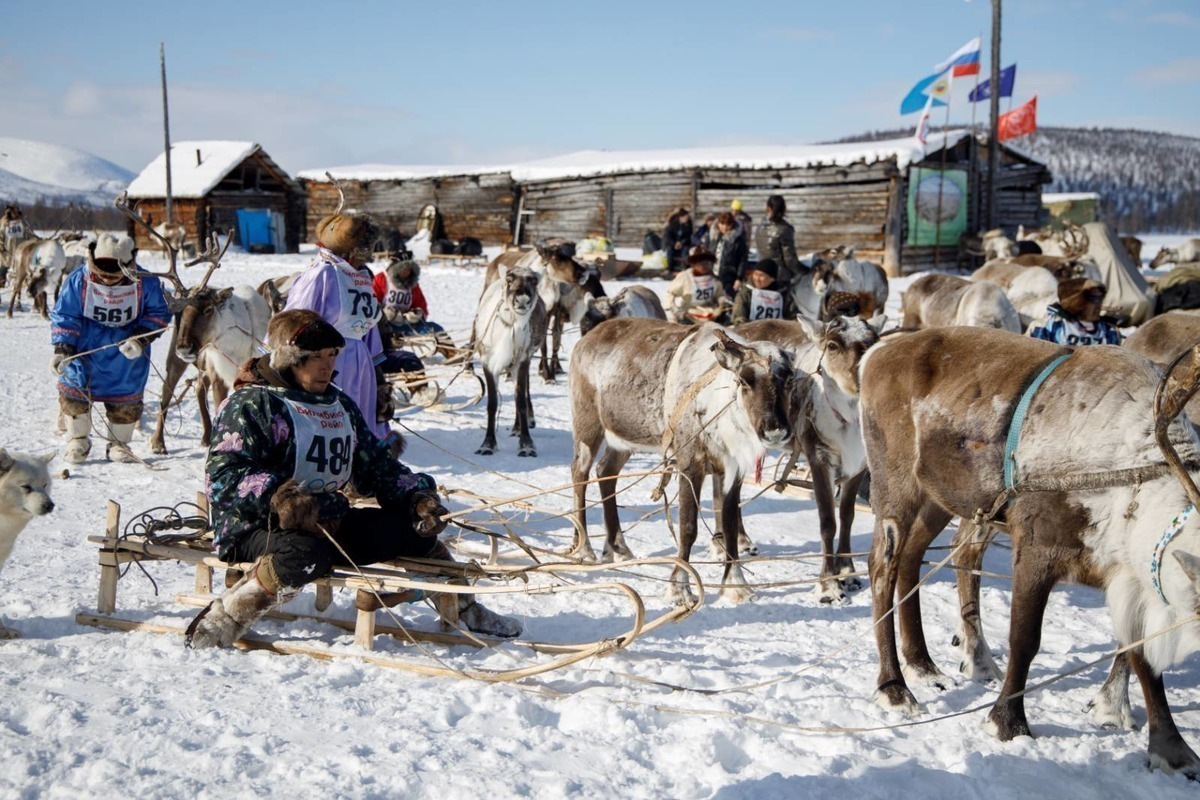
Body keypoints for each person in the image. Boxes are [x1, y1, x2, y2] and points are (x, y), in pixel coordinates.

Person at [186, 309, 522, 649]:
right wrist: (279, 497)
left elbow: (375, 464)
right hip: (255, 526)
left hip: (328, 522)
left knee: (412, 529)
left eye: (331, 355)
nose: (326, 366)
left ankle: (464, 608)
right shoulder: (253, 404)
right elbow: (225, 476)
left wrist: (415, 499)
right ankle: (224, 620)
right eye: (313, 357)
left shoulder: (338, 405)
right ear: (289, 359)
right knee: (306, 554)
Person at [284, 206, 400, 450]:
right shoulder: (321, 275)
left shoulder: (360, 278)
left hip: (360, 361)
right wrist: (284, 362)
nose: (365, 257)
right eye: (362, 250)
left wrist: (378, 374)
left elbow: (367, 325)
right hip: (326, 361)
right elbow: (295, 319)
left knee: (359, 422)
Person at [50, 235, 170, 464]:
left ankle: (119, 444)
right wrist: (62, 348)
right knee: (74, 392)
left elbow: (159, 313)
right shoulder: (79, 280)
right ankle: (78, 440)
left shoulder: (147, 283)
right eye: (102, 275)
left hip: (125, 355)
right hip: (83, 350)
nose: (106, 280)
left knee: (124, 399)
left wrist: (140, 340)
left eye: (113, 276)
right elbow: (65, 314)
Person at [1029, 277, 1122, 346]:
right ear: (1076, 302)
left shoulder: (1109, 332)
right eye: (1093, 298)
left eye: (1100, 298)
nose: (1098, 305)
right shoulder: (1048, 328)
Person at [666, 248, 730, 324]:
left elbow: (720, 294)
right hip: (689, 315)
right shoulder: (685, 277)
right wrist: (675, 310)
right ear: (693, 264)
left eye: (707, 262)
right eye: (700, 262)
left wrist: (722, 300)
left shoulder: (714, 279)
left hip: (710, 315)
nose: (704, 265)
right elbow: (670, 293)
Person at [755, 195, 803, 285]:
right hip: (779, 277)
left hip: (762, 275)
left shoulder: (760, 227)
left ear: (767, 208)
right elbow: (789, 259)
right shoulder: (784, 230)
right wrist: (802, 270)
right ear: (784, 209)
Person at [731, 258, 798, 324]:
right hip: (751, 331)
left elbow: (794, 316)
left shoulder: (783, 293)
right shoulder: (746, 293)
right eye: (755, 274)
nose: (757, 279)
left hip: (779, 332)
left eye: (761, 275)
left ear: (772, 278)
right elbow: (739, 318)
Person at [712, 212, 748, 297]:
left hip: (729, 277)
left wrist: (739, 278)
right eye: (722, 224)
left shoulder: (737, 240)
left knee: (728, 300)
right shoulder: (713, 237)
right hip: (713, 275)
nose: (724, 227)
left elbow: (742, 260)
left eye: (728, 224)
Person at [662, 208, 693, 274]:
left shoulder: (688, 225)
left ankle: (684, 267)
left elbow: (689, 235)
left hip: (684, 243)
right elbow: (668, 236)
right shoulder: (672, 224)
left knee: (685, 252)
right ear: (681, 217)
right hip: (673, 243)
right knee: (670, 251)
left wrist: (681, 242)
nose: (687, 219)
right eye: (685, 217)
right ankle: (670, 268)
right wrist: (674, 243)